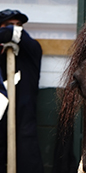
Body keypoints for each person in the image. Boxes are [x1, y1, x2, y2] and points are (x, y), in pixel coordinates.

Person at [0, 10, 44, 173]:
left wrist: (10, 32)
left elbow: (15, 35)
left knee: (28, 158)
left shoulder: (31, 50)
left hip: (24, 119)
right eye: (9, 24)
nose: (15, 28)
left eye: (19, 25)